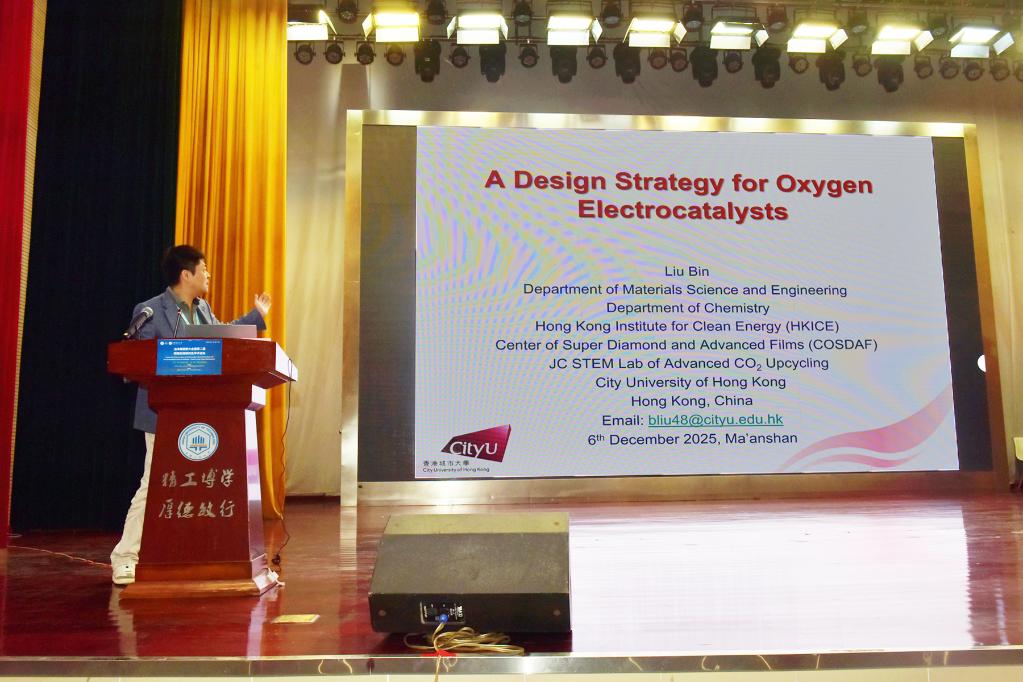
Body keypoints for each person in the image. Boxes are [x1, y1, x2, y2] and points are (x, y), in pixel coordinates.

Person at [111, 245, 271, 585]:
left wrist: (255, 316)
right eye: (204, 269)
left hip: (207, 415)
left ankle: (193, 550)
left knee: (200, 488)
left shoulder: (203, 309)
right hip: (163, 414)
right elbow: (137, 360)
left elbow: (223, 337)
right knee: (153, 485)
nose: (208, 274)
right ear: (186, 274)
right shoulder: (150, 311)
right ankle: (124, 557)